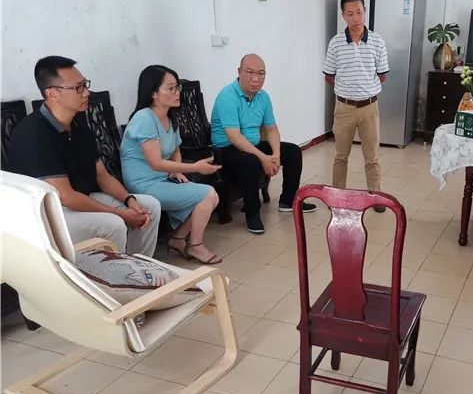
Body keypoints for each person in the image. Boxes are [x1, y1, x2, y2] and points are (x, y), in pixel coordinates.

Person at [7, 56, 160, 256]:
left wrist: (129, 200)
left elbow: (102, 175)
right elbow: (65, 196)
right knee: (114, 224)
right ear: (53, 93)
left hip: (82, 198)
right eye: (78, 88)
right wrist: (121, 214)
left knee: (149, 207)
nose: (86, 92)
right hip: (47, 213)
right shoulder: (34, 133)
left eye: (85, 85)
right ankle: (116, 274)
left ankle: (138, 267)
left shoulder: (78, 125)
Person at [121, 65, 223, 264]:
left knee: (211, 197)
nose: (177, 93)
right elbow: (156, 163)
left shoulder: (169, 116)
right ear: (153, 93)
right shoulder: (144, 118)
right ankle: (194, 245)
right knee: (208, 194)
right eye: (171, 88)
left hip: (161, 178)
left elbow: (176, 148)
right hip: (143, 184)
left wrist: (176, 170)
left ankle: (178, 239)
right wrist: (195, 167)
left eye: (177, 87)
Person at [210, 54, 315, 234]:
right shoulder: (227, 96)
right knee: (251, 161)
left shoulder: (263, 97)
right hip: (226, 150)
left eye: (261, 73)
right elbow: (234, 137)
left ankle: (288, 200)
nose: (256, 79)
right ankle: (252, 213)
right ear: (239, 72)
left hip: (252, 145)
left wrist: (276, 155)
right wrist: (263, 158)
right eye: (250, 72)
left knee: (293, 151)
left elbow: (272, 129)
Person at [323, 0, 389, 211]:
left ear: (365, 12)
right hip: (344, 108)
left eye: (359, 12)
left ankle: (376, 196)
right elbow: (329, 75)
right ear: (343, 16)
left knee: (372, 156)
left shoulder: (377, 41)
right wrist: (347, 89)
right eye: (350, 14)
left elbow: (382, 75)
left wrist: (364, 88)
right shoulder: (336, 43)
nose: (355, 17)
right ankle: (337, 197)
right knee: (341, 156)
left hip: (369, 107)